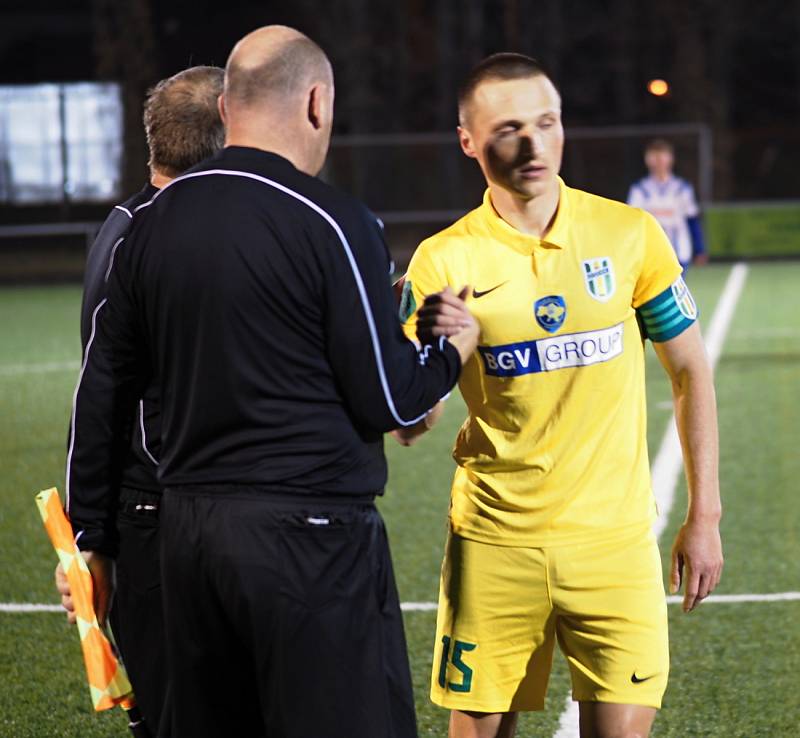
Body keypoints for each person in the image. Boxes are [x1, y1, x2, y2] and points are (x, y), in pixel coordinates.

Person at [65, 25, 478, 738]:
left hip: (184, 538)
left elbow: (101, 393)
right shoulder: (334, 220)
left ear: (227, 108)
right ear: (317, 102)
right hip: (309, 539)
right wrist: (447, 350)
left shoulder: (147, 223)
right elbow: (387, 398)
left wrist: (89, 542)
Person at [396, 53, 723, 738]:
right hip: (495, 546)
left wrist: (705, 517)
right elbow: (411, 422)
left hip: (616, 544)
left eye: (548, 123)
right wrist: (437, 350)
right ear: (468, 140)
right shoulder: (443, 261)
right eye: (510, 127)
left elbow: (691, 370)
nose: (534, 143)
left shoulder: (629, 236)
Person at [55, 64, 225, 736]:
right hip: (162, 514)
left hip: (150, 514)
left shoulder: (125, 224)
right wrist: (87, 540)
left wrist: (87, 539)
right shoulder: (157, 233)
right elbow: (101, 393)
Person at [627, 138, 708, 269]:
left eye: (662, 156)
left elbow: (692, 219)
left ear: (670, 159)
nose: (658, 161)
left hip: (679, 250)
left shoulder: (682, 188)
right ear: (647, 160)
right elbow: (632, 222)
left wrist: (699, 249)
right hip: (650, 253)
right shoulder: (639, 189)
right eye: (654, 157)